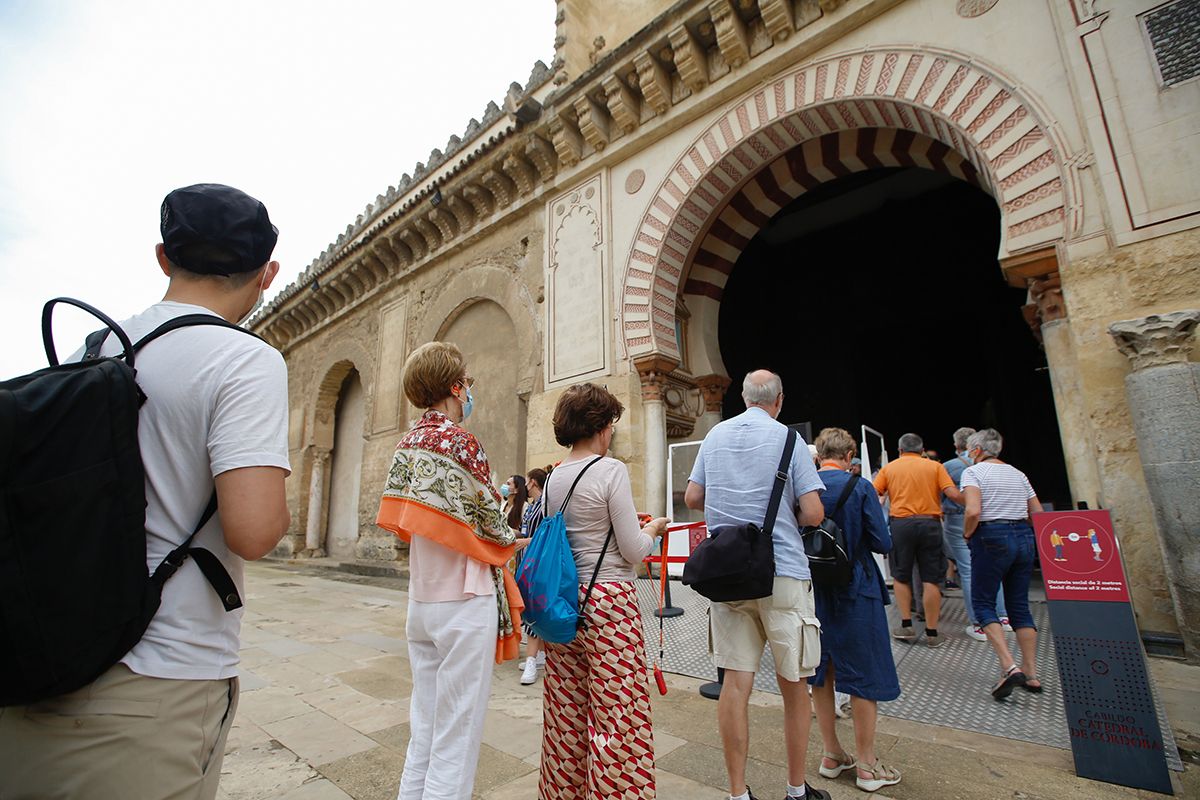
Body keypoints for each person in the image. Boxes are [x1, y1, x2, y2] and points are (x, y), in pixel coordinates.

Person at [0, 184, 291, 799]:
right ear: (268, 274)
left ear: (164, 257)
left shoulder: (92, 348)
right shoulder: (245, 360)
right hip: (156, 681)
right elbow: (253, 530)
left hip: (43, 654)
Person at [376, 341, 523, 798]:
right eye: (468, 384)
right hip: (465, 603)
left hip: (422, 603)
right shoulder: (462, 444)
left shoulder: (407, 445)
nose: (469, 393)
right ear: (456, 387)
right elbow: (493, 527)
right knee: (456, 740)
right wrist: (516, 539)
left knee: (425, 728)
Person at [684, 370, 829, 800]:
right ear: (779, 400)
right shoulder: (791, 442)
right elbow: (815, 512)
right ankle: (796, 789)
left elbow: (693, 497)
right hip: (783, 572)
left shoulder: (715, 437)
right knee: (794, 685)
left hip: (730, 577)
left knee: (735, 682)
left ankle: (736, 793)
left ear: (743, 398)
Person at [538, 383, 668, 800]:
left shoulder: (554, 475)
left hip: (563, 605)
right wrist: (651, 529)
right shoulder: (610, 470)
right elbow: (633, 551)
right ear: (601, 425)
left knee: (566, 715)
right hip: (610, 604)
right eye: (611, 423)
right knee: (618, 718)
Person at [808, 428, 901, 794]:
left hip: (815, 587)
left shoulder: (805, 485)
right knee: (863, 672)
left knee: (820, 669)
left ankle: (832, 753)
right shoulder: (860, 487)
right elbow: (882, 541)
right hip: (856, 584)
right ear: (849, 455)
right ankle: (866, 763)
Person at [961, 428, 1044, 700]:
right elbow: (1038, 513)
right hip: (1022, 536)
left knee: (984, 602)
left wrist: (968, 531)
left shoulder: (973, 473)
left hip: (990, 536)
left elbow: (973, 510)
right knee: (1019, 604)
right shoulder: (1018, 474)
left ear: (975, 450)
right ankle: (1031, 673)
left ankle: (1009, 666)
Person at [873, 432, 963, 647]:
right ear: (922, 451)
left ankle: (906, 624)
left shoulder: (890, 468)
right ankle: (932, 632)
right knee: (931, 578)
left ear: (900, 450)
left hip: (901, 524)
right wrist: (975, 501)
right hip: (930, 523)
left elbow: (876, 495)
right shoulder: (935, 467)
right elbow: (952, 494)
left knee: (901, 575)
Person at [942, 427, 1010, 641]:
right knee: (992, 568)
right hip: (990, 517)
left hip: (958, 519)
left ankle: (980, 623)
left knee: (968, 570)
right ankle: (1002, 616)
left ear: (957, 445)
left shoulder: (949, 467)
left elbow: (940, 494)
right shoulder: (996, 466)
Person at [517, 467, 548, 685]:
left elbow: (545, 535)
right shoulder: (531, 508)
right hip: (528, 561)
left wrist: (525, 542)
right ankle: (539, 655)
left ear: (533, 482)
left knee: (534, 609)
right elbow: (527, 532)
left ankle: (530, 660)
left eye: (527, 481)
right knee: (532, 606)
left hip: (539, 562)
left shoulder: (546, 505)